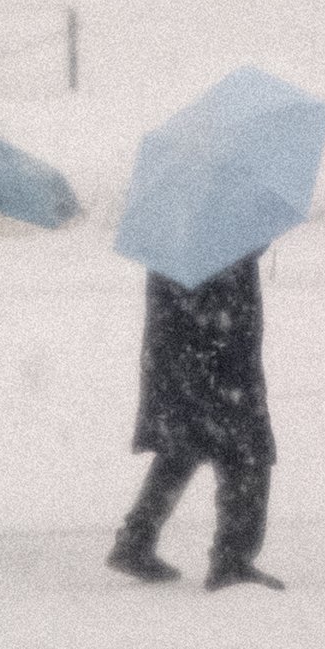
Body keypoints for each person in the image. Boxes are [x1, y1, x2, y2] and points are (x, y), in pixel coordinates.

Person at [107, 250, 282, 589]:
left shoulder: (176, 233)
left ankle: (136, 539)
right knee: (246, 452)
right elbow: (221, 293)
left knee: (183, 446)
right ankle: (232, 560)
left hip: (179, 355)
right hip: (218, 356)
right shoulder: (223, 231)